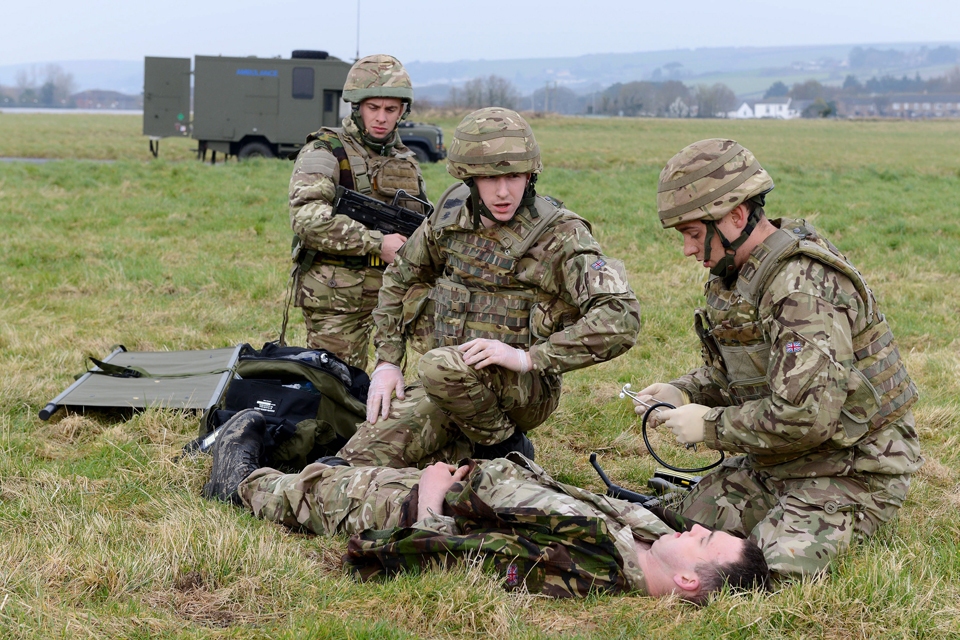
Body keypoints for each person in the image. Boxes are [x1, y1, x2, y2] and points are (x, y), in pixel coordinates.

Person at [634, 139, 922, 580]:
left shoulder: (801, 289)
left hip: (852, 469)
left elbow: (805, 416)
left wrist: (709, 425)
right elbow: (739, 373)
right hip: (777, 462)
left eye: (693, 234)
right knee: (662, 526)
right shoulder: (736, 277)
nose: (689, 249)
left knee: (763, 571)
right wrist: (684, 390)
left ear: (736, 216)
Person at [336, 106, 640, 468]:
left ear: (530, 175)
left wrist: (528, 358)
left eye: (514, 176)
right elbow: (402, 275)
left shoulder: (562, 235)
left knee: (437, 367)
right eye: (488, 178)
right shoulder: (449, 218)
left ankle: (506, 445)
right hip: (449, 381)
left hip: (524, 390)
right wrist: (387, 362)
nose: (502, 191)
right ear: (469, 179)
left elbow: (622, 316)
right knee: (356, 460)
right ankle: (472, 453)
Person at [203, 409, 770, 602]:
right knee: (349, 459)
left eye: (703, 541)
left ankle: (236, 480)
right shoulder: (647, 537)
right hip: (469, 481)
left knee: (308, 493)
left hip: (413, 509)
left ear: (690, 582)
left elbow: (452, 562)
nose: (695, 528)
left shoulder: (586, 571)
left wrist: (429, 503)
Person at [287, 54, 428, 370]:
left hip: (392, 292)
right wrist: (378, 242)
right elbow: (306, 219)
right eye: (373, 108)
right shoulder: (325, 149)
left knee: (391, 379)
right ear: (356, 107)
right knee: (336, 383)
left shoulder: (405, 159)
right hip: (337, 292)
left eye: (390, 110)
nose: (381, 118)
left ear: (402, 111)